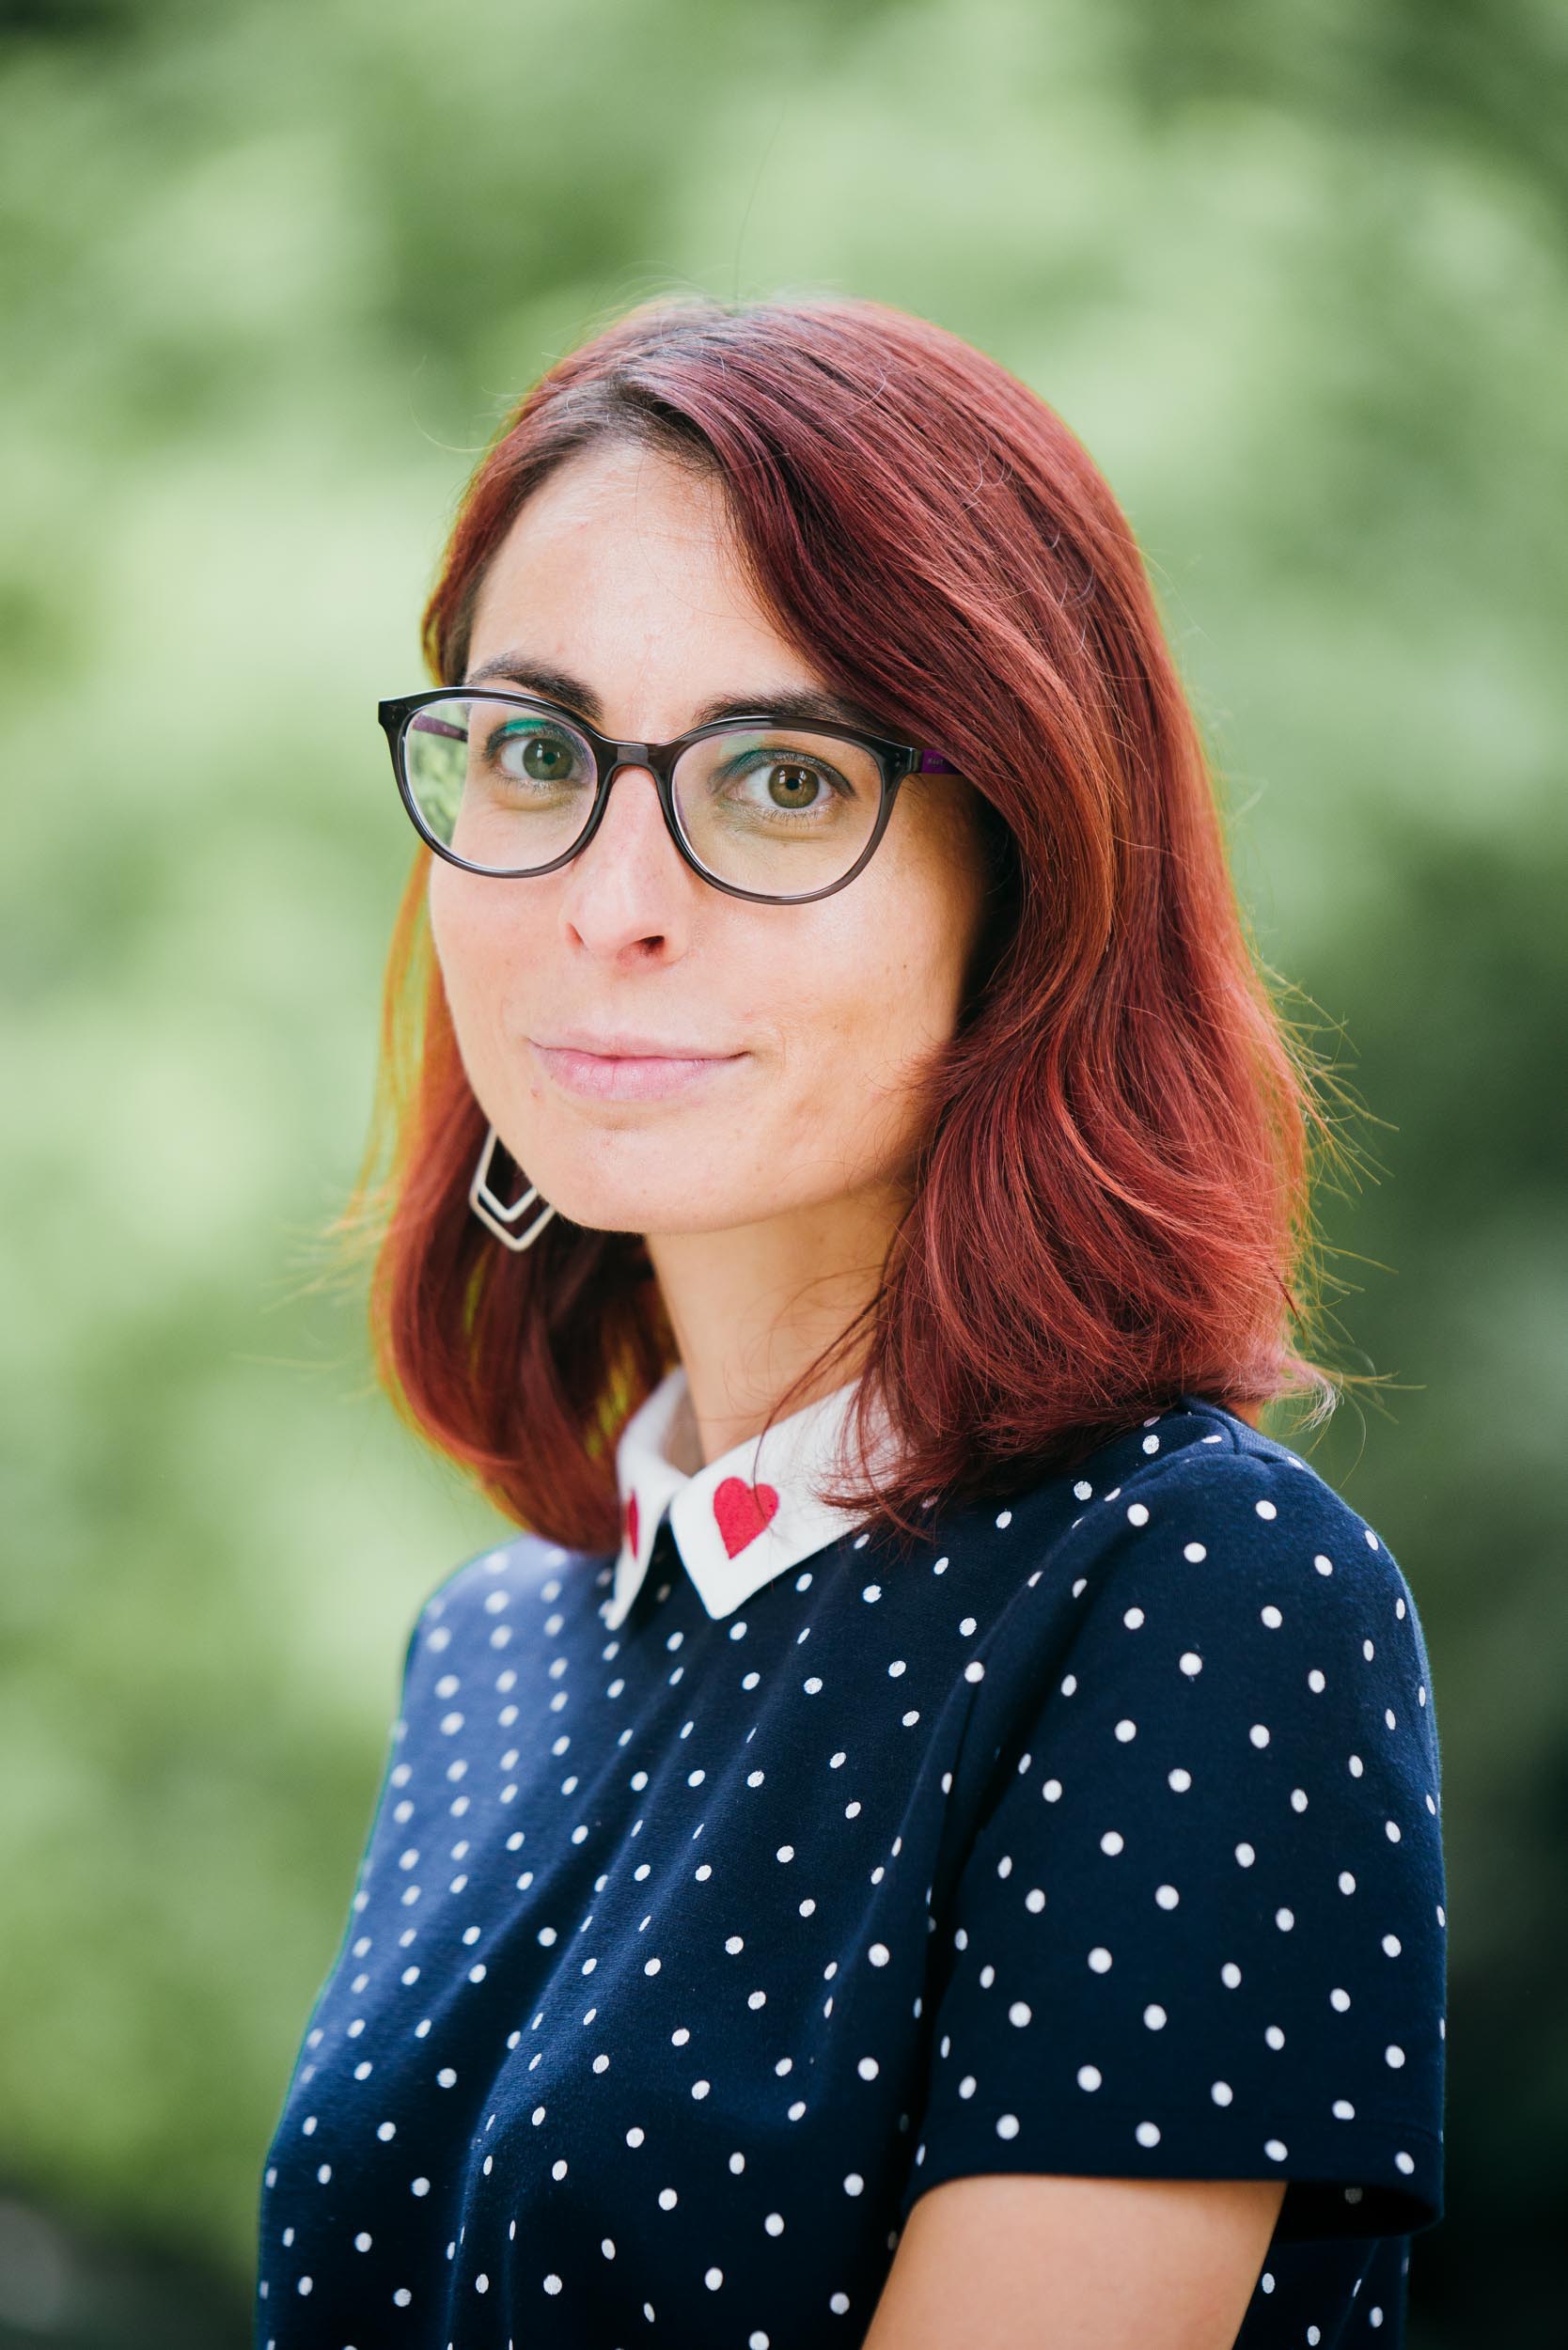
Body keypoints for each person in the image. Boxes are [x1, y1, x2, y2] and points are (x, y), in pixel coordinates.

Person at [254, 292, 1446, 2350]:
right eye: (536, 751)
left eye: (780, 778)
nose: (611, 895)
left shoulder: (1198, 1589)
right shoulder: (496, 1646)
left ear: (1027, 881)